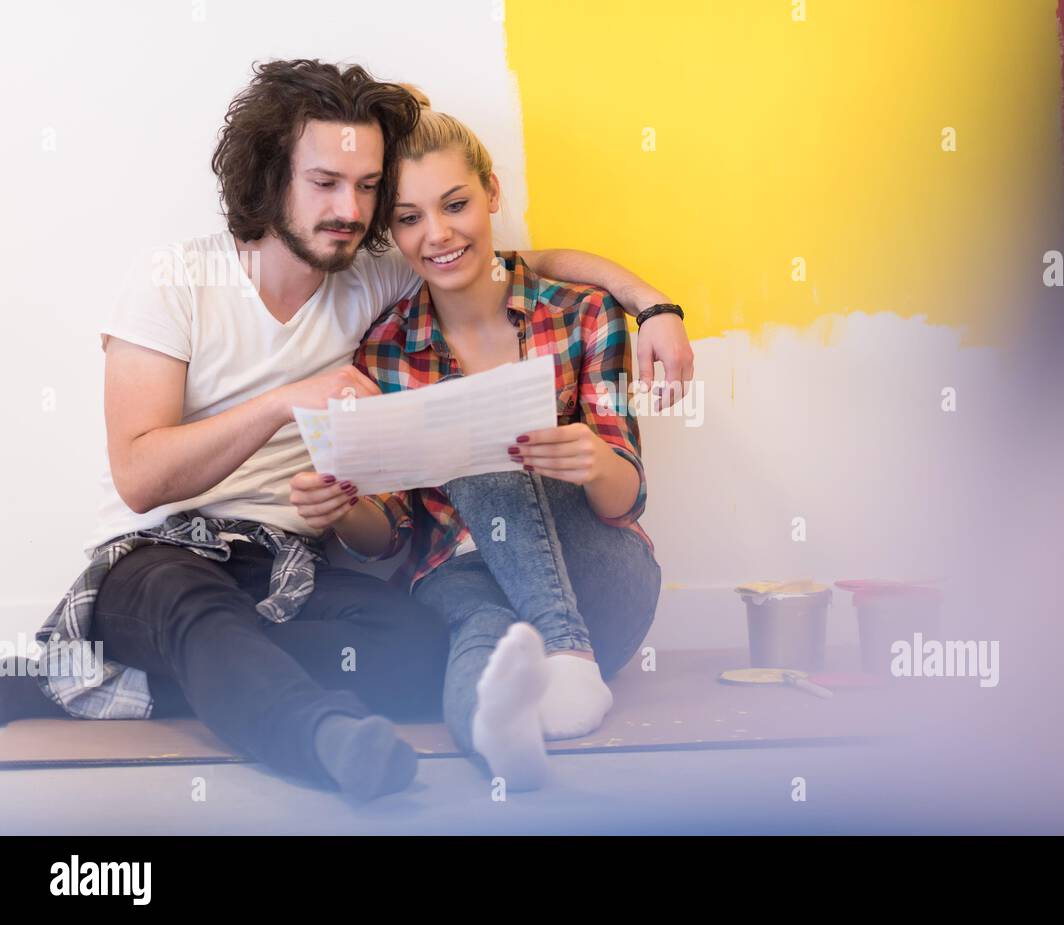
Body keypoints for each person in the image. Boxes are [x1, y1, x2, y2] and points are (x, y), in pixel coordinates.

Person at [0, 60, 690, 800]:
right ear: (272, 179)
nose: (350, 210)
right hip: (163, 553)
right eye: (325, 183)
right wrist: (284, 402)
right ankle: (324, 738)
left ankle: (109, 675)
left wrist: (651, 304)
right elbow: (139, 478)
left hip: (289, 567)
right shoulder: (173, 281)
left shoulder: (371, 278)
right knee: (191, 609)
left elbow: (509, 261)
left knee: (427, 646)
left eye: (367, 189)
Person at [290, 88, 663, 791]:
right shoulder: (388, 347)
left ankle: (567, 652)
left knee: (481, 431)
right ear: (392, 233)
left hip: (597, 578)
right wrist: (342, 506)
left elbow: (628, 498)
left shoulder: (585, 316)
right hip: (460, 578)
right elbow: (390, 535)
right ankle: (499, 739)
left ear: (491, 193)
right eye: (408, 218)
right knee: (479, 643)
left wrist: (591, 459)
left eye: (455, 204)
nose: (437, 235)